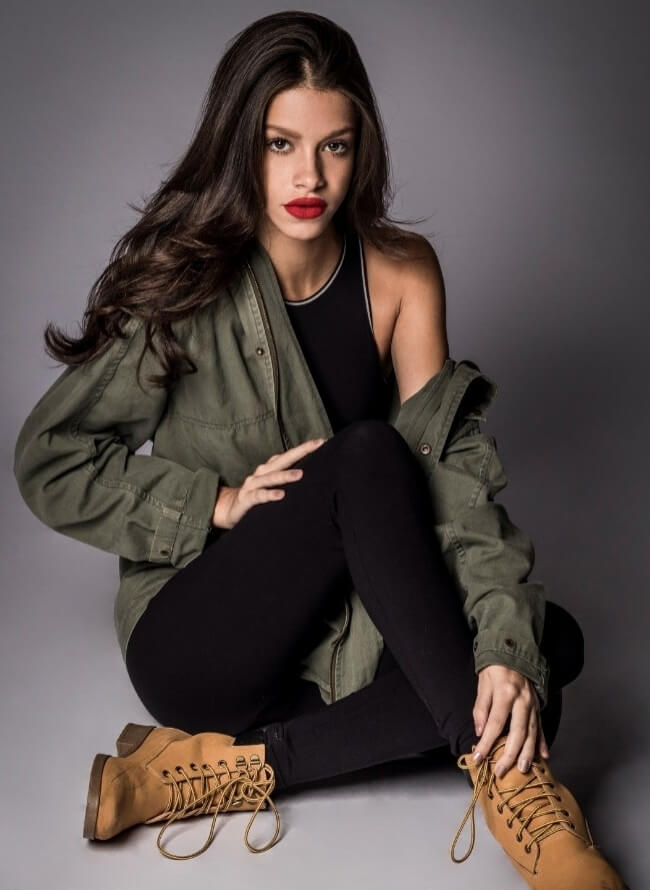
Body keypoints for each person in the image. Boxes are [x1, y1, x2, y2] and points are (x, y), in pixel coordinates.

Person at [13, 10, 627, 889]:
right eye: (280, 145)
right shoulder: (187, 282)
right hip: (201, 641)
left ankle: (203, 775)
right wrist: (213, 503)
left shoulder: (402, 274)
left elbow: (451, 477)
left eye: (334, 146)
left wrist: (503, 647)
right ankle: (517, 788)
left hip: (341, 638)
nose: (309, 177)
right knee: (367, 458)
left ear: (360, 150)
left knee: (537, 649)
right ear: (241, 146)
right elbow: (52, 456)